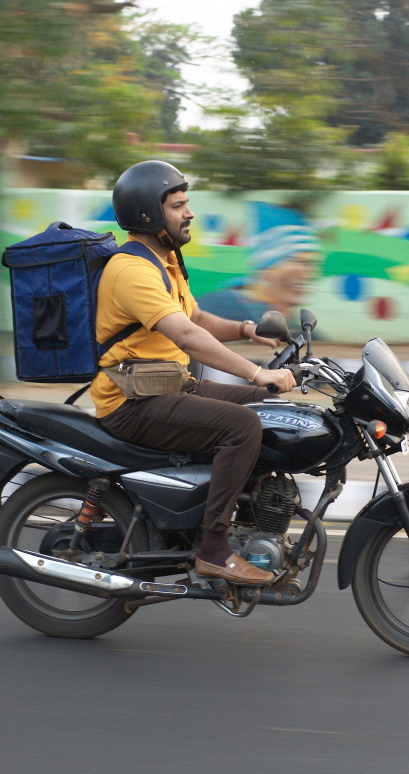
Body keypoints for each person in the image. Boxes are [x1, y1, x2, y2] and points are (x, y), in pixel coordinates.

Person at [91, 160, 296, 586]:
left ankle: (250, 521)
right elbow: (185, 335)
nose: (190, 213)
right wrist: (256, 373)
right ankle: (214, 550)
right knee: (242, 426)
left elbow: (196, 317)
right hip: (132, 403)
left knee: (271, 409)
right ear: (149, 215)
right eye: (178, 206)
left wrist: (247, 330)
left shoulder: (164, 261)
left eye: (187, 203)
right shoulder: (132, 270)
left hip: (168, 387)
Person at [196, 218, 322, 325]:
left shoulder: (297, 326)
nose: (311, 273)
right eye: (300, 261)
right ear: (267, 271)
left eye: (313, 264)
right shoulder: (217, 307)